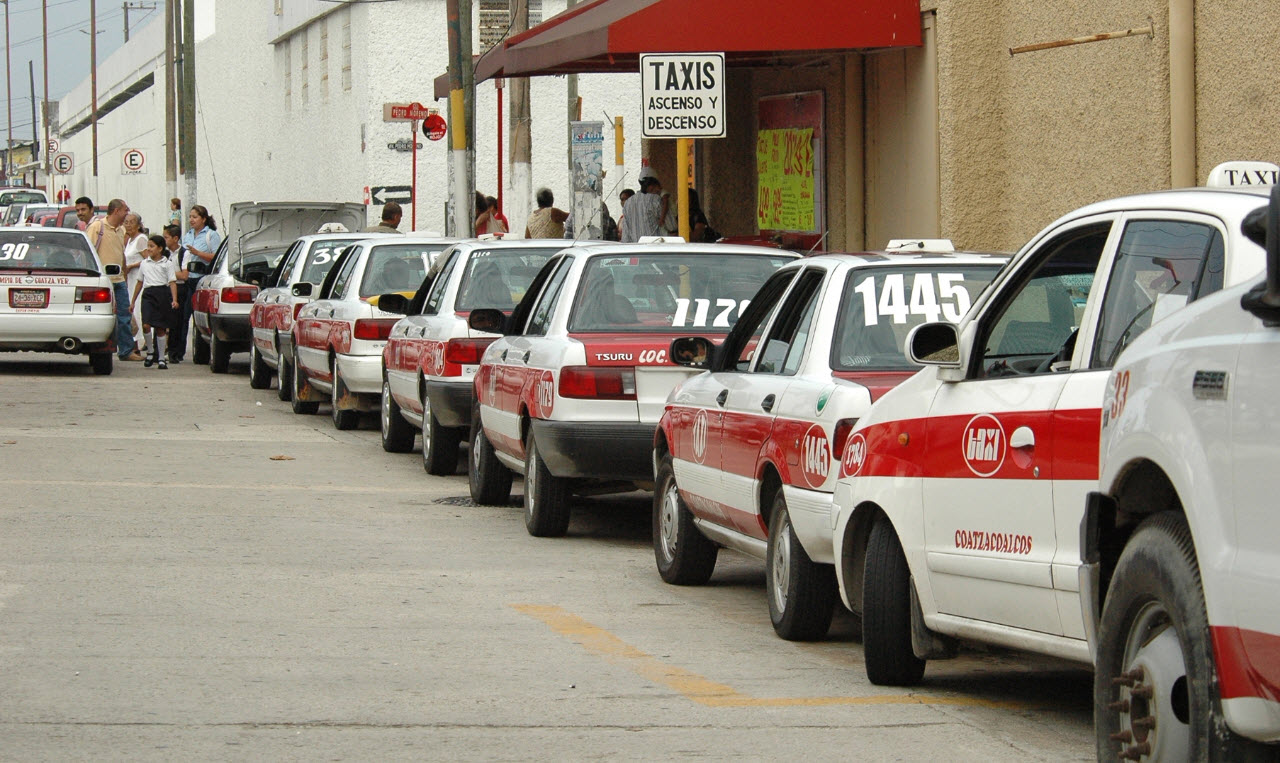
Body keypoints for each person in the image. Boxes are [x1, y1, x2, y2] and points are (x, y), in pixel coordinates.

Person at [86, 199, 143, 361]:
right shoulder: (98, 227)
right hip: (103, 281)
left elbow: (121, 253)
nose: (127, 213)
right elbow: (88, 250)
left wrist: (124, 271)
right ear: (116, 211)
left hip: (119, 280)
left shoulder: (121, 231)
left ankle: (126, 350)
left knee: (124, 315)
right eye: (125, 210)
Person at [129, 234, 179, 369]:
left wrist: (174, 299)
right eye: (148, 246)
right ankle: (150, 351)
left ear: (160, 248)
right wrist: (133, 301)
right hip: (148, 294)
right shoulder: (144, 263)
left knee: (160, 327)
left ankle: (161, 357)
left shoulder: (167, 264)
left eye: (152, 246)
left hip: (162, 293)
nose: (149, 249)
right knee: (146, 324)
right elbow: (139, 282)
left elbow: (172, 282)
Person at [122, 213, 149, 352]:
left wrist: (132, 266)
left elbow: (148, 259)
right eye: (126, 222)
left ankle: (140, 344)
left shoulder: (141, 239)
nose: (128, 225)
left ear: (138, 225)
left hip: (140, 281)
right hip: (130, 280)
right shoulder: (130, 240)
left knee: (138, 311)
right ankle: (135, 343)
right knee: (133, 311)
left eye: (131, 222)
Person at [164, 224, 190, 363]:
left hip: (180, 289)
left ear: (175, 238)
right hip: (166, 288)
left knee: (178, 321)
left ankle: (177, 352)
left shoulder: (184, 253)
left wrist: (168, 274)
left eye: (166, 237)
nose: (165, 240)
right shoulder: (165, 253)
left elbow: (184, 275)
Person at [620, 177, 664, 242]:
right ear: (651, 187)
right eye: (658, 190)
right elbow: (671, 226)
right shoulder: (655, 199)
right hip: (655, 247)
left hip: (636, 248)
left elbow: (626, 235)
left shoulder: (628, 203)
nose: (660, 192)